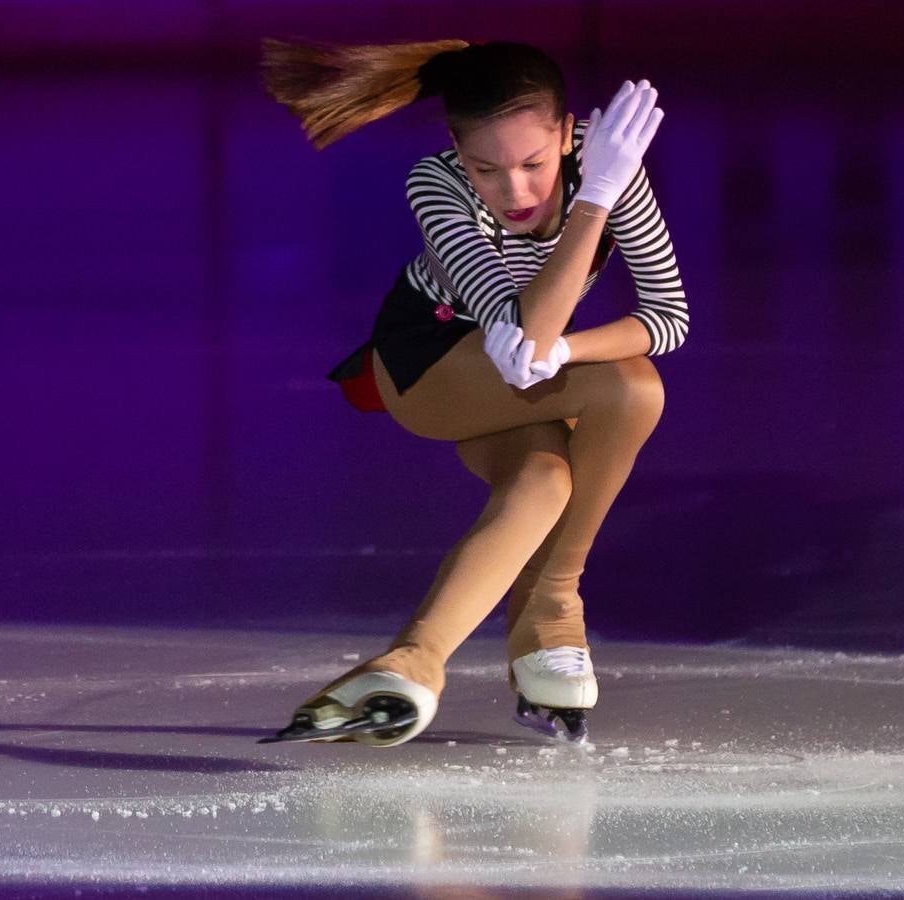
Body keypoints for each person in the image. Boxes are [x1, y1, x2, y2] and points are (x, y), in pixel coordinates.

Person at [255, 38, 685, 746]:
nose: (515, 192)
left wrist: (572, 347)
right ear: (457, 150)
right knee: (630, 391)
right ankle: (553, 609)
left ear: (567, 131)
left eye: (534, 165)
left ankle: (412, 662)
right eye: (487, 168)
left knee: (545, 479)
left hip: (531, 364)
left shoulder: (609, 167)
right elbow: (516, 329)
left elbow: (669, 316)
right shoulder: (436, 183)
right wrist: (593, 202)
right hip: (431, 364)